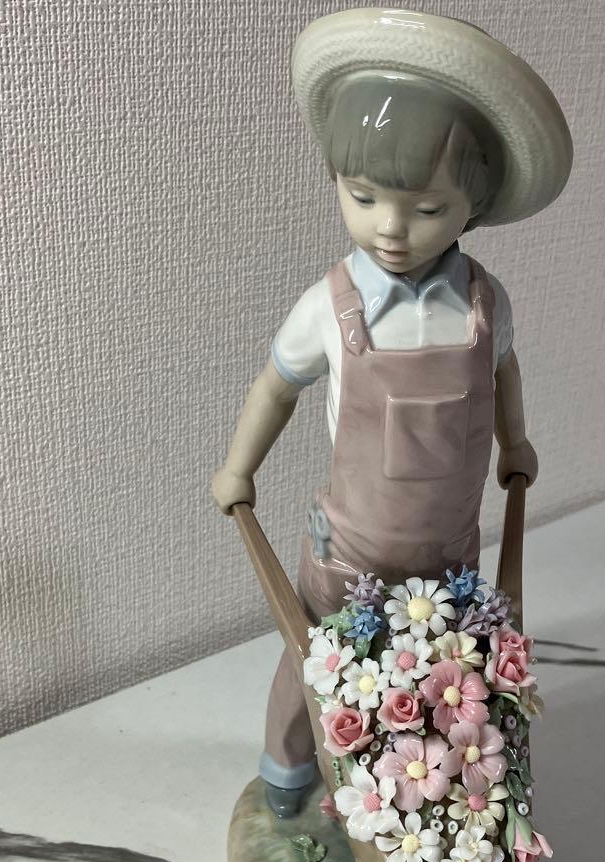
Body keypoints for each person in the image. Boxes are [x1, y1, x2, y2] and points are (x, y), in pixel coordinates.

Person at [211, 9, 572, 817]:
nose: (390, 227)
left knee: (440, 680)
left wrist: (516, 442)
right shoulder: (330, 307)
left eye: (427, 209)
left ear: (473, 207)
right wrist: (239, 468)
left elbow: (502, 373)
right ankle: (286, 770)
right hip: (352, 550)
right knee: (319, 659)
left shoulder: (483, 305)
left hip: (449, 552)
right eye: (363, 196)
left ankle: (416, 797)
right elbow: (275, 387)